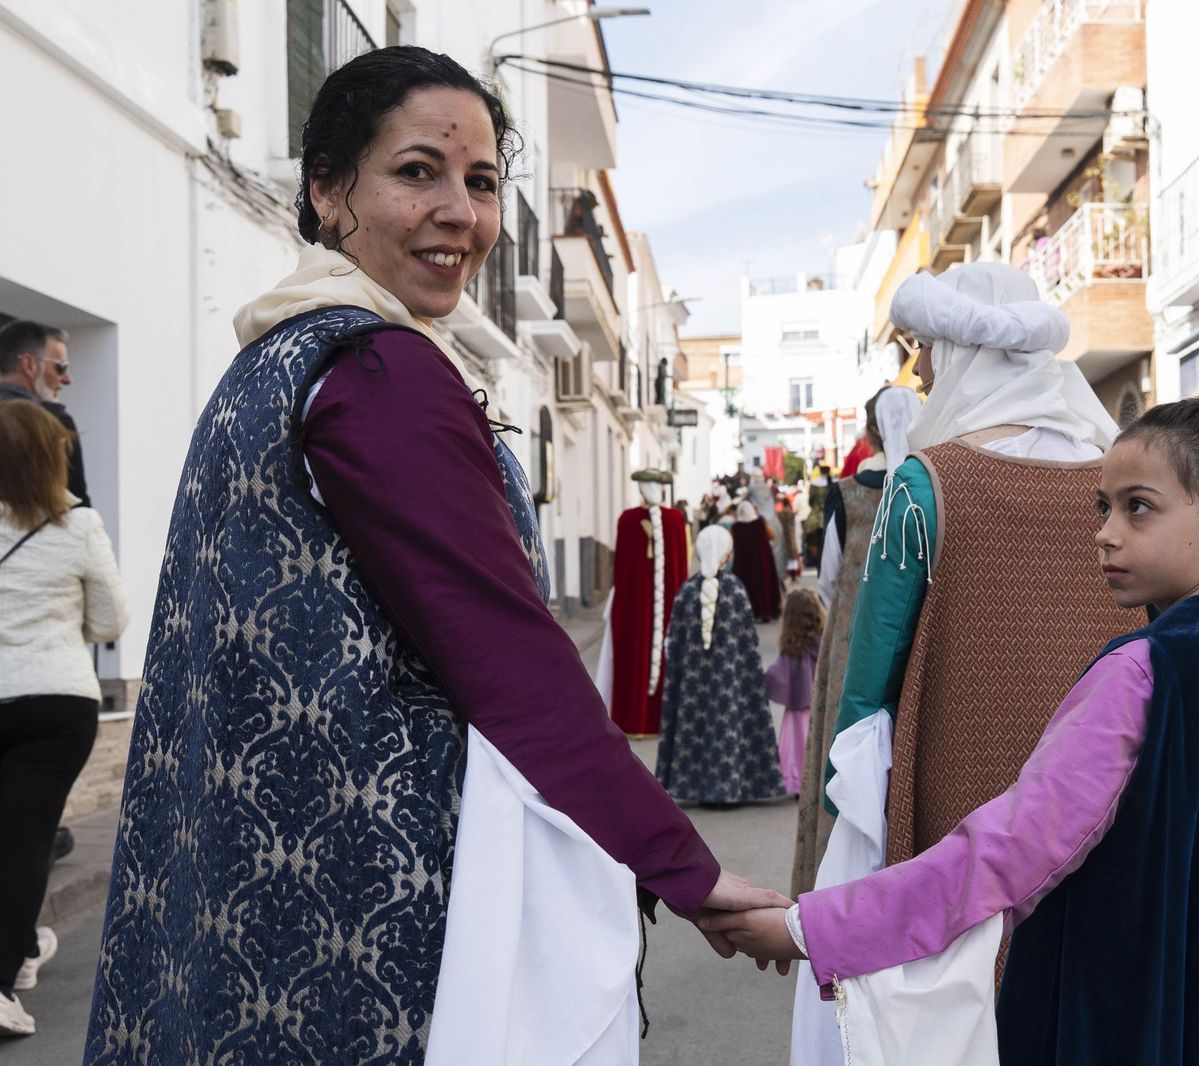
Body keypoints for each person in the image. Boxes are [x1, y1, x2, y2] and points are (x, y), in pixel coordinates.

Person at [84, 48, 783, 1065]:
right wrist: (682, 865)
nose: (461, 210)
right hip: (363, 924)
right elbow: (505, 653)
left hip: (240, 913)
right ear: (327, 189)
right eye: (417, 172)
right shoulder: (376, 368)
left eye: (483, 181)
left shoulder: (271, 363)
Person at [707, 394, 1199, 1066]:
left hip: (1152, 1018)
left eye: (1138, 508)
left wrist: (813, 927)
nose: (1104, 531)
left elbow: (1007, 850)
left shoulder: (1144, 671)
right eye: (1105, 506)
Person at [788, 264, 1144, 1064]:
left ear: (963, 353)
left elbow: (869, 684)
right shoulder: (1122, 482)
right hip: (1098, 790)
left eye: (932, 352)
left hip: (962, 799)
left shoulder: (925, 483)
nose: (926, 372)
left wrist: (860, 833)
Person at [0, 401, 127, 1038]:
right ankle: (7, 975)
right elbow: (109, 622)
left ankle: (21, 954)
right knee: (25, 839)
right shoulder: (77, 525)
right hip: (55, 701)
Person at [791, 385, 917, 897]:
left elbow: (827, 578)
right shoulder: (927, 489)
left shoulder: (846, 493)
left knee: (846, 755)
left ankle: (836, 887)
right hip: (914, 645)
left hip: (848, 645)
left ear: (868, 435)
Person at [655, 526, 786, 806]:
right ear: (727, 554)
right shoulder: (736, 590)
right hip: (731, 686)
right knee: (727, 722)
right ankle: (733, 785)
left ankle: (693, 784)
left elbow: (673, 643)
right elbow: (749, 644)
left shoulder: (686, 591)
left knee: (695, 723)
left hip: (691, 686)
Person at [597, 469, 690, 736]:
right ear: (660, 489)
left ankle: (633, 719)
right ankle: (663, 719)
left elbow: (621, 571)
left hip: (632, 609)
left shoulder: (627, 520)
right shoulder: (675, 520)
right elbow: (680, 570)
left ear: (640, 489)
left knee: (632, 651)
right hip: (668, 607)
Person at [0, 321, 88, 505]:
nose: (67, 379)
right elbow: (77, 507)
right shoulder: (51, 426)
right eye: (60, 367)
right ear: (29, 365)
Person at [767, 588, 826, 796]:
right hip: (819, 705)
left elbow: (777, 675)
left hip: (797, 708)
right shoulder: (823, 642)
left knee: (796, 746)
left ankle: (798, 782)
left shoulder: (792, 647)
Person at [730, 499, 782, 622]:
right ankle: (766, 612)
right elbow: (772, 536)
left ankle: (746, 612)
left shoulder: (736, 527)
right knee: (763, 585)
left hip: (743, 563)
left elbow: (730, 542)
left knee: (746, 586)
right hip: (761, 562)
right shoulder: (760, 522)